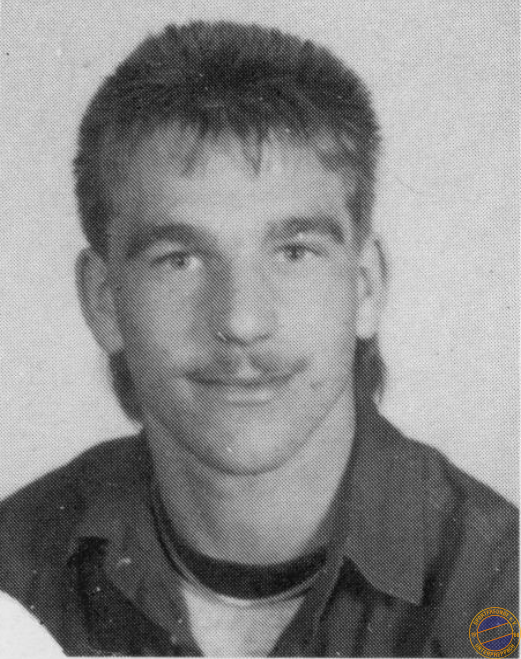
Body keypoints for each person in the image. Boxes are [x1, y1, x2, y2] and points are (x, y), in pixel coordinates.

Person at [0, 21, 518, 658]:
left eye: (294, 252)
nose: (242, 321)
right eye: (180, 260)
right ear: (104, 300)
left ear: (365, 287)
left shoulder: (502, 585)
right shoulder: (11, 571)